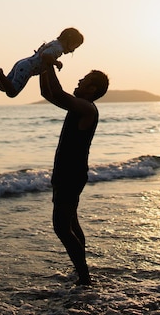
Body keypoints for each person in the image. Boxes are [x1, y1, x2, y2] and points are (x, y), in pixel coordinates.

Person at [39, 53, 109, 286]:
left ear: (92, 89)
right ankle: (82, 273)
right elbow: (47, 94)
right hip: (65, 173)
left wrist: (49, 64)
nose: (78, 81)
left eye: (84, 80)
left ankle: (84, 278)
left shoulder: (87, 108)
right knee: (71, 223)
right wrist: (43, 68)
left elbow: (58, 94)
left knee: (61, 227)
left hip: (71, 175)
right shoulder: (80, 107)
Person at [0, 28, 84, 98]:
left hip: (22, 63)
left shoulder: (53, 43)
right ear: (69, 40)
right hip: (27, 68)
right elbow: (45, 56)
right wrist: (57, 63)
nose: (73, 50)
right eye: (75, 46)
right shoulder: (58, 49)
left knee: (4, 87)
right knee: (12, 93)